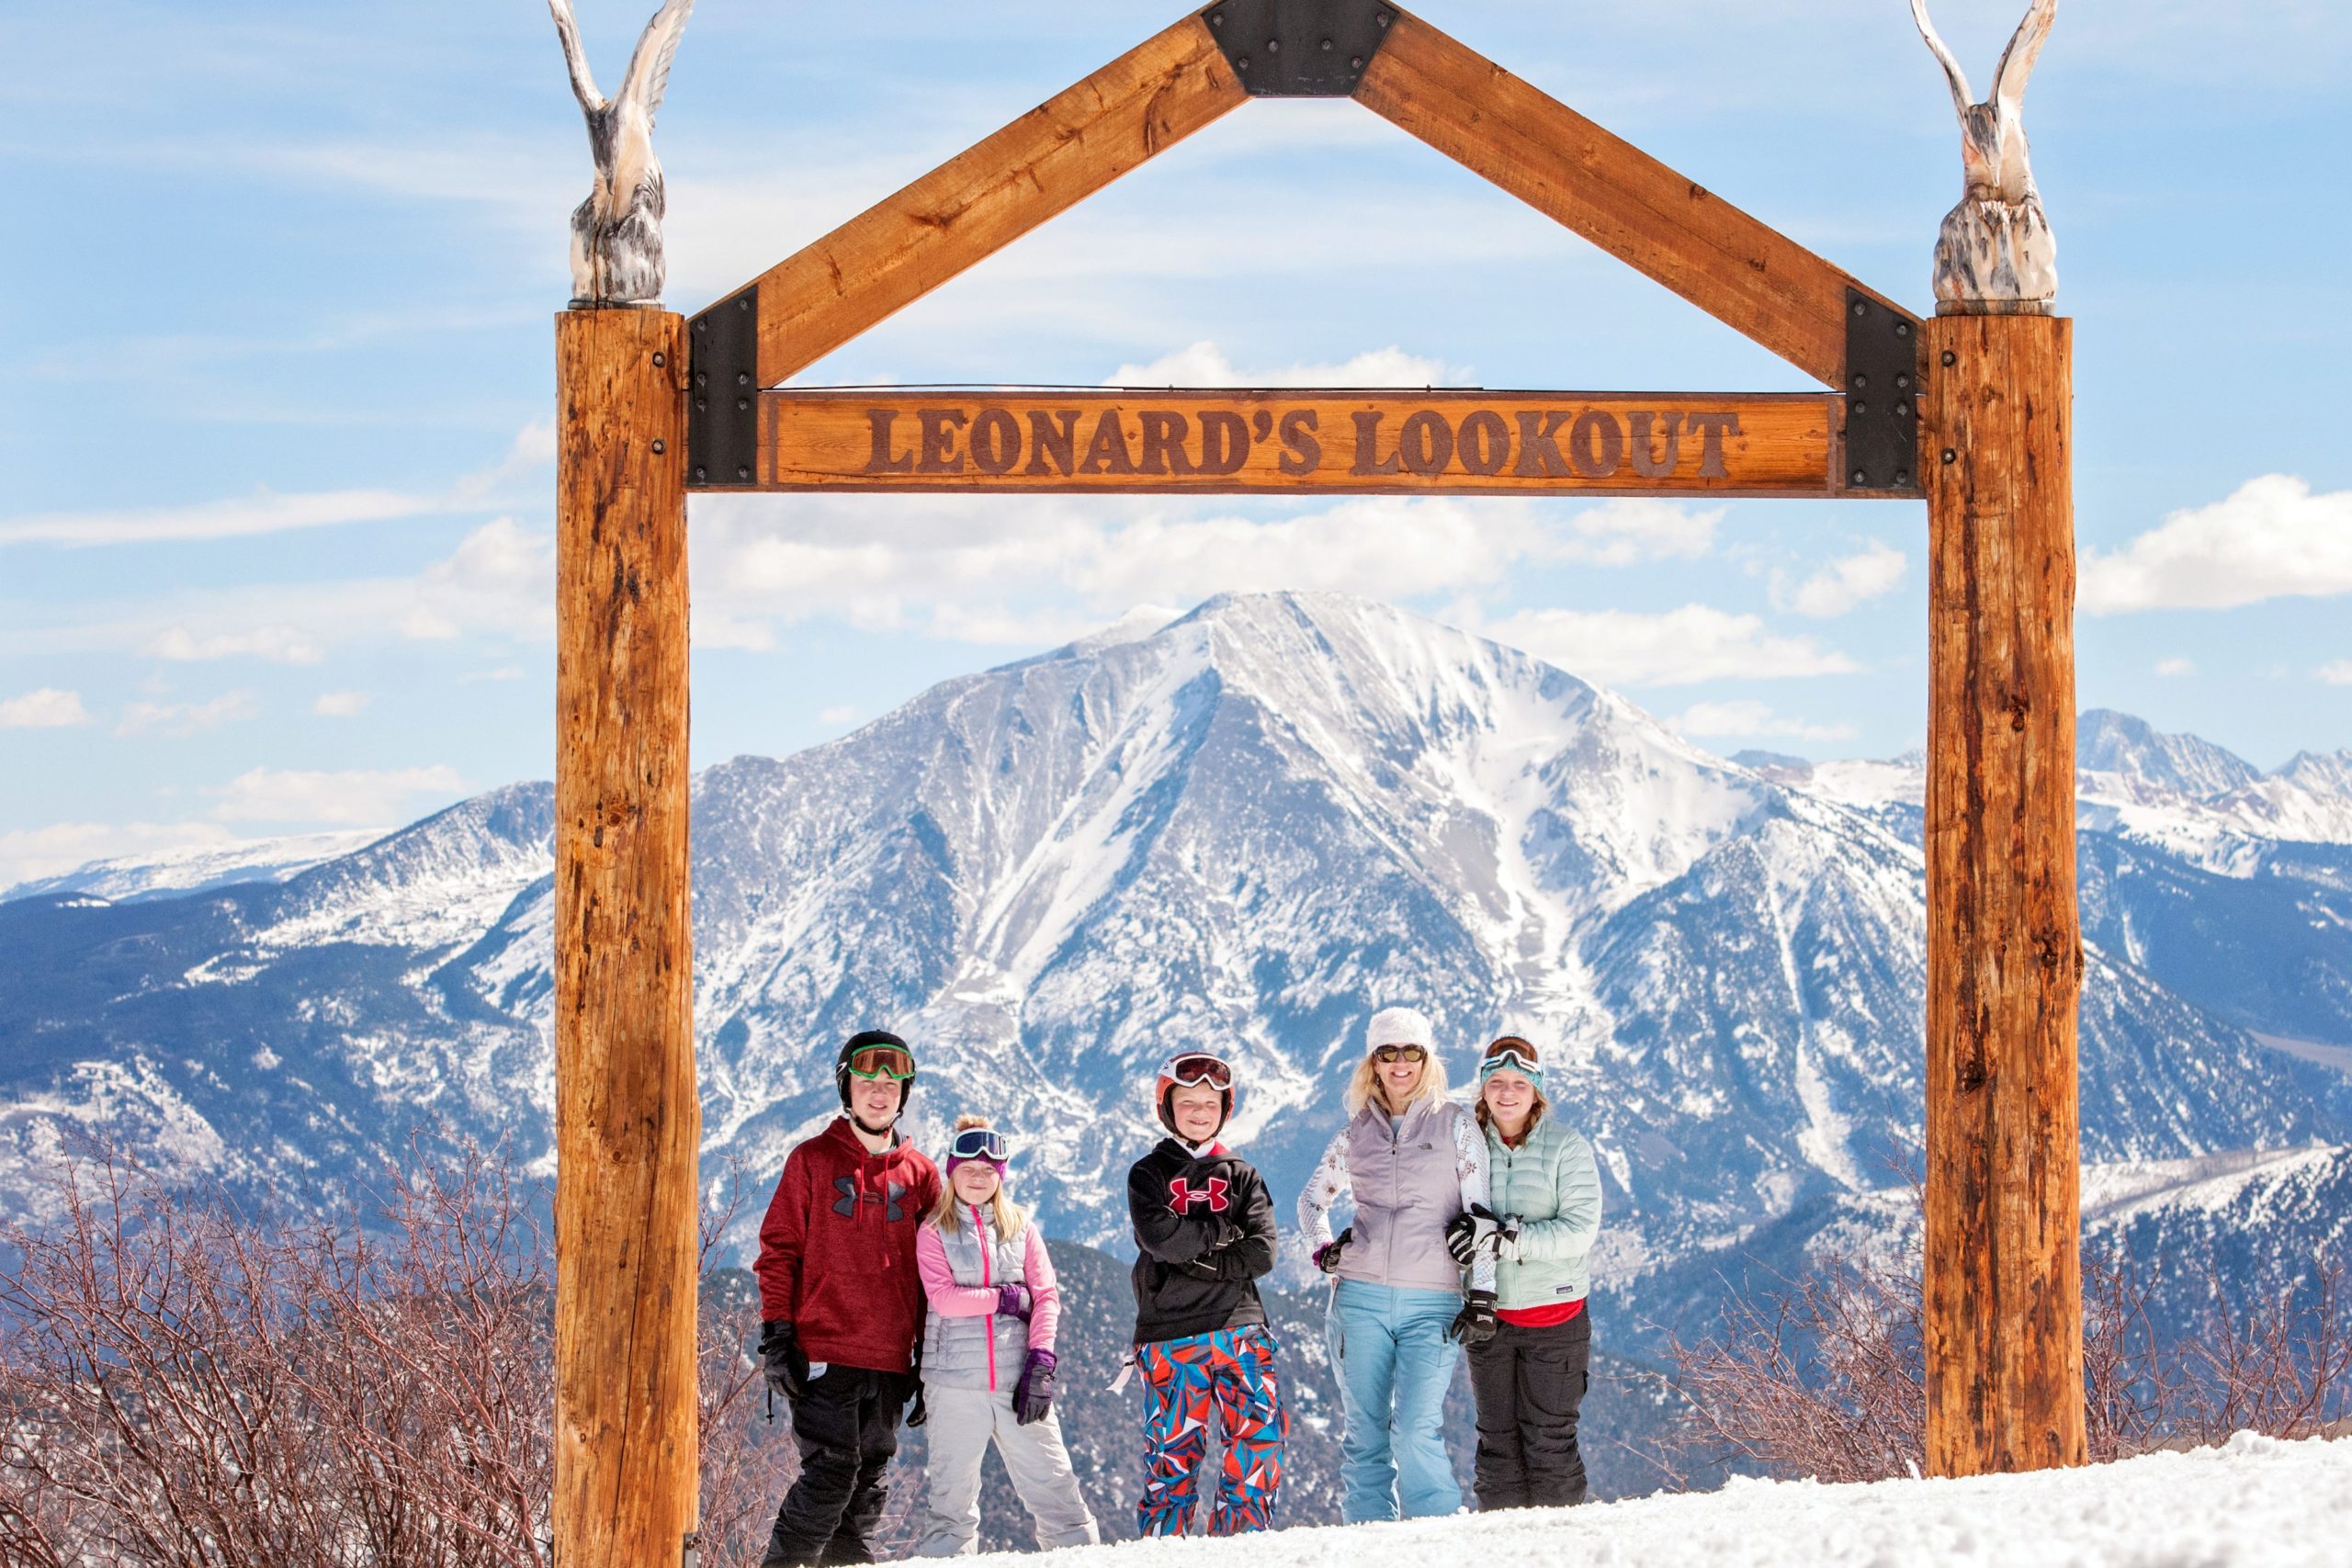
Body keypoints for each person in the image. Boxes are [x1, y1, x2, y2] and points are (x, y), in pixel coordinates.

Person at [1296, 1005, 1497, 1523]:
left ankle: (1434, 1540)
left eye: (1412, 1052)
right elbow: (1310, 1202)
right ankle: (1368, 1541)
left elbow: (1482, 1215)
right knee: (1364, 1435)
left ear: (1428, 1059)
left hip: (1433, 1303)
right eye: (1388, 1053)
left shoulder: (1458, 1125)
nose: (1400, 1063)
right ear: (1374, 1062)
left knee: (1414, 1429)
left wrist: (1483, 1294)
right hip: (1358, 1300)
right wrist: (1324, 1250)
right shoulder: (1354, 1134)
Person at [754, 1030, 943, 1568]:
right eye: (867, 1082)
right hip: (822, 1354)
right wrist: (778, 1334)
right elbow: (777, 1252)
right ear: (847, 1088)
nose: (879, 1093)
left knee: (867, 1484)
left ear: (903, 1094)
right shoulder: (812, 1160)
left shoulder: (922, 1175)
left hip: (889, 1360)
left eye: (892, 1084)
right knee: (831, 1473)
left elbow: (934, 1277)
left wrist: (928, 1361)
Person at [912, 1114, 1101, 1557]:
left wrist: (1041, 1360)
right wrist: (1004, 1298)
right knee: (951, 1511)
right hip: (954, 1385)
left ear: (1001, 1177)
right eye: (968, 1169)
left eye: (988, 1171)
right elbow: (944, 1299)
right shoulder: (933, 1232)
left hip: (1018, 1381)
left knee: (1059, 1497)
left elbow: (1046, 1298)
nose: (977, 1179)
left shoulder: (1020, 1228)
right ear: (951, 1171)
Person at [1125, 1051, 1285, 1537]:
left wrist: (1190, 1252)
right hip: (1171, 1335)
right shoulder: (1148, 1173)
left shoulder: (1242, 1174)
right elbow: (1157, 1237)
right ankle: (1163, 1549)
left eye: (1210, 1102)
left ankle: (1238, 1546)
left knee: (1258, 1445)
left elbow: (1262, 1252)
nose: (1200, 1111)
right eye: (1188, 1101)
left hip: (1241, 1328)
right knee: (1172, 1458)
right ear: (1166, 1107)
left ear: (1225, 1108)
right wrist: (1222, 1233)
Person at [1464, 1033, 1602, 1510]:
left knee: (1549, 1443)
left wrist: (1510, 1239)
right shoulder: (1467, 1147)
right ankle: (1503, 1550)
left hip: (1555, 1319)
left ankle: (1561, 1550)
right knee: (1497, 1447)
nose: (1507, 1092)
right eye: (1497, 1081)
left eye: (1519, 1083)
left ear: (1536, 1089)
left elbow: (1580, 1230)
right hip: (1490, 1319)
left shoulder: (1566, 1146)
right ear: (1482, 1088)